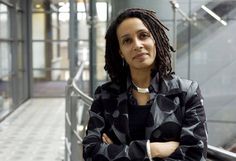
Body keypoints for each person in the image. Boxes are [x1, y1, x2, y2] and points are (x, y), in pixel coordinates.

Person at [82, 8, 208, 161]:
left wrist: (116, 151)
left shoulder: (187, 93)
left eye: (143, 36)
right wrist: (152, 150)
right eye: (127, 40)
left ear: (155, 39)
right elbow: (90, 152)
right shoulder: (105, 95)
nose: (137, 45)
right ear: (121, 51)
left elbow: (194, 155)